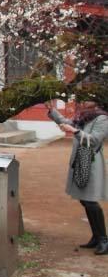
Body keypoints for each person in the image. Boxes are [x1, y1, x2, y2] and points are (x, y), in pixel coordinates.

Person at [48, 101, 108, 254]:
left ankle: (103, 239)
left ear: (95, 104)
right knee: (85, 200)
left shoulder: (101, 119)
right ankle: (96, 236)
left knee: (90, 200)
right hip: (80, 161)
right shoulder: (83, 117)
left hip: (91, 163)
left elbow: (94, 140)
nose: (82, 103)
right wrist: (53, 111)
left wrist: (74, 131)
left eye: (86, 100)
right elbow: (67, 122)